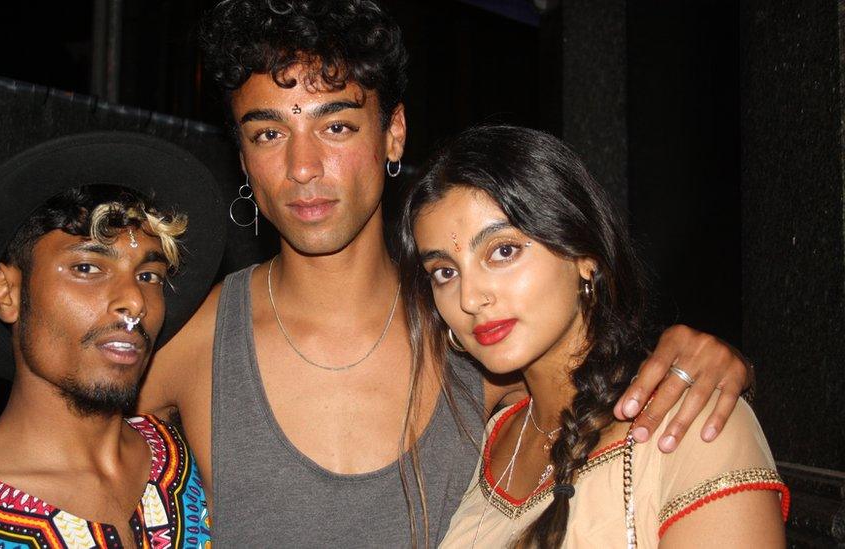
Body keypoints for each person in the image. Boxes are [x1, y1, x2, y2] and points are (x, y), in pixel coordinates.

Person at [138, 1, 754, 545]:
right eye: (270, 132)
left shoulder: (470, 332)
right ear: (242, 156)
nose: (303, 166)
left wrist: (711, 362)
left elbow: (603, 384)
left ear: (393, 133)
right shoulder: (196, 338)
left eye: (336, 126)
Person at [395, 125, 788, 547]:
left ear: (583, 254)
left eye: (503, 251)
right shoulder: (491, 438)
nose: (469, 297)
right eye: (445, 272)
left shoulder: (691, 424)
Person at [0, 133, 224, 549]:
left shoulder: (205, 465)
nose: (134, 300)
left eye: (149, 276)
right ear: (7, 293)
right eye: (88, 268)